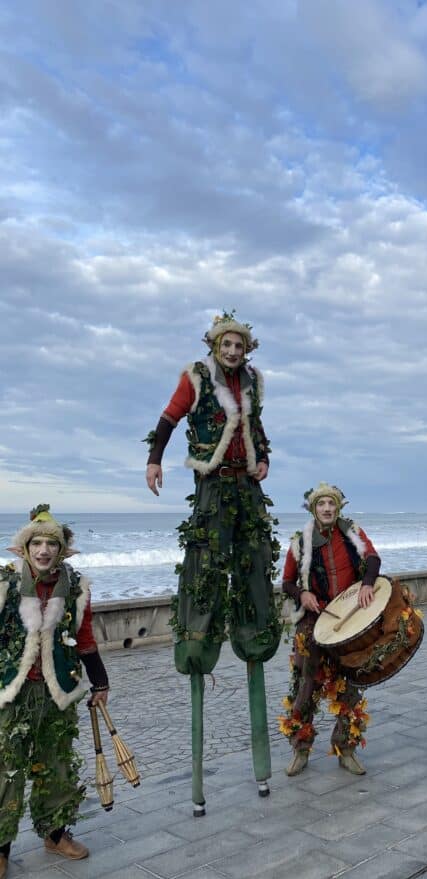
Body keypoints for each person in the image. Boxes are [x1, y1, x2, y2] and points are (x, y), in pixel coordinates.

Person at [145, 311, 280, 807]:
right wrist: (154, 460)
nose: (232, 350)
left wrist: (264, 459)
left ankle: (254, 633)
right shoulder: (196, 377)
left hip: (247, 490)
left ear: (246, 349)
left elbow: (257, 430)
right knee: (204, 573)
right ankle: (199, 641)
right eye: (225, 343)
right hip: (211, 487)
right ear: (215, 345)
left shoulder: (252, 383)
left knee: (252, 568)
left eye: (238, 344)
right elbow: (167, 419)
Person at [0, 506, 110, 879]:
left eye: (51, 543)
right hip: (11, 693)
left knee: (58, 763)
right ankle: (0, 847)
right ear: (24, 548)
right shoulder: (5, 584)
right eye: (37, 543)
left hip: (57, 691)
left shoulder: (76, 587)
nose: (44, 550)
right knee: (6, 770)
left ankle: (55, 834)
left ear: (61, 551)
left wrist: (100, 683)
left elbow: (85, 639)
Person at [280, 483, 380, 777]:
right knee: (305, 686)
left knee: (350, 685)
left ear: (338, 508)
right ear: (314, 509)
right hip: (312, 620)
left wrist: (367, 583)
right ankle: (300, 749)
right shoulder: (300, 542)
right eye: (321, 504)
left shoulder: (352, 533)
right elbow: (286, 582)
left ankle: (346, 749)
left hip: (347, 619)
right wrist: (302, 595)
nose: (327, 508)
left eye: (331, 504)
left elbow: (372, 558)